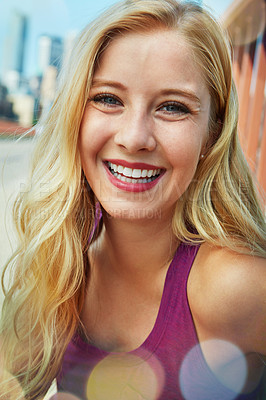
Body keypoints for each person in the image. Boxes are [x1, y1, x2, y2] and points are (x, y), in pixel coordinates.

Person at [1, 0, 265, 399]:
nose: (133, 137)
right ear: (76, 113)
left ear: (211, 135)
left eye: (173, 107)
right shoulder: (59, 263)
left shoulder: (237, 287)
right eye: (108, 99)